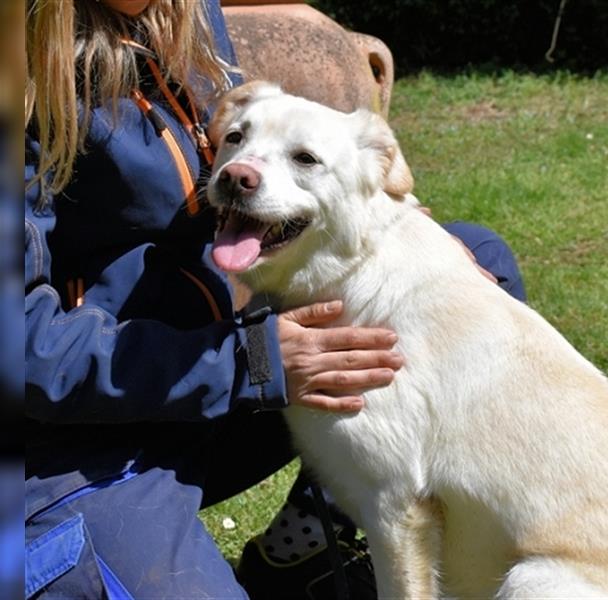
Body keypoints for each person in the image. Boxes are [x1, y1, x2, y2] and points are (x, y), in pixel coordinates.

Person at [24, 0, 526, 598]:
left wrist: (406, 225)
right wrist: (248, 362)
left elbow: (261, 156)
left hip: (201, 371)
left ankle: (301, 549)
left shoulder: (184, 12)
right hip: (69, 443)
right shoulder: (19, 68)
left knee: (476, 267)